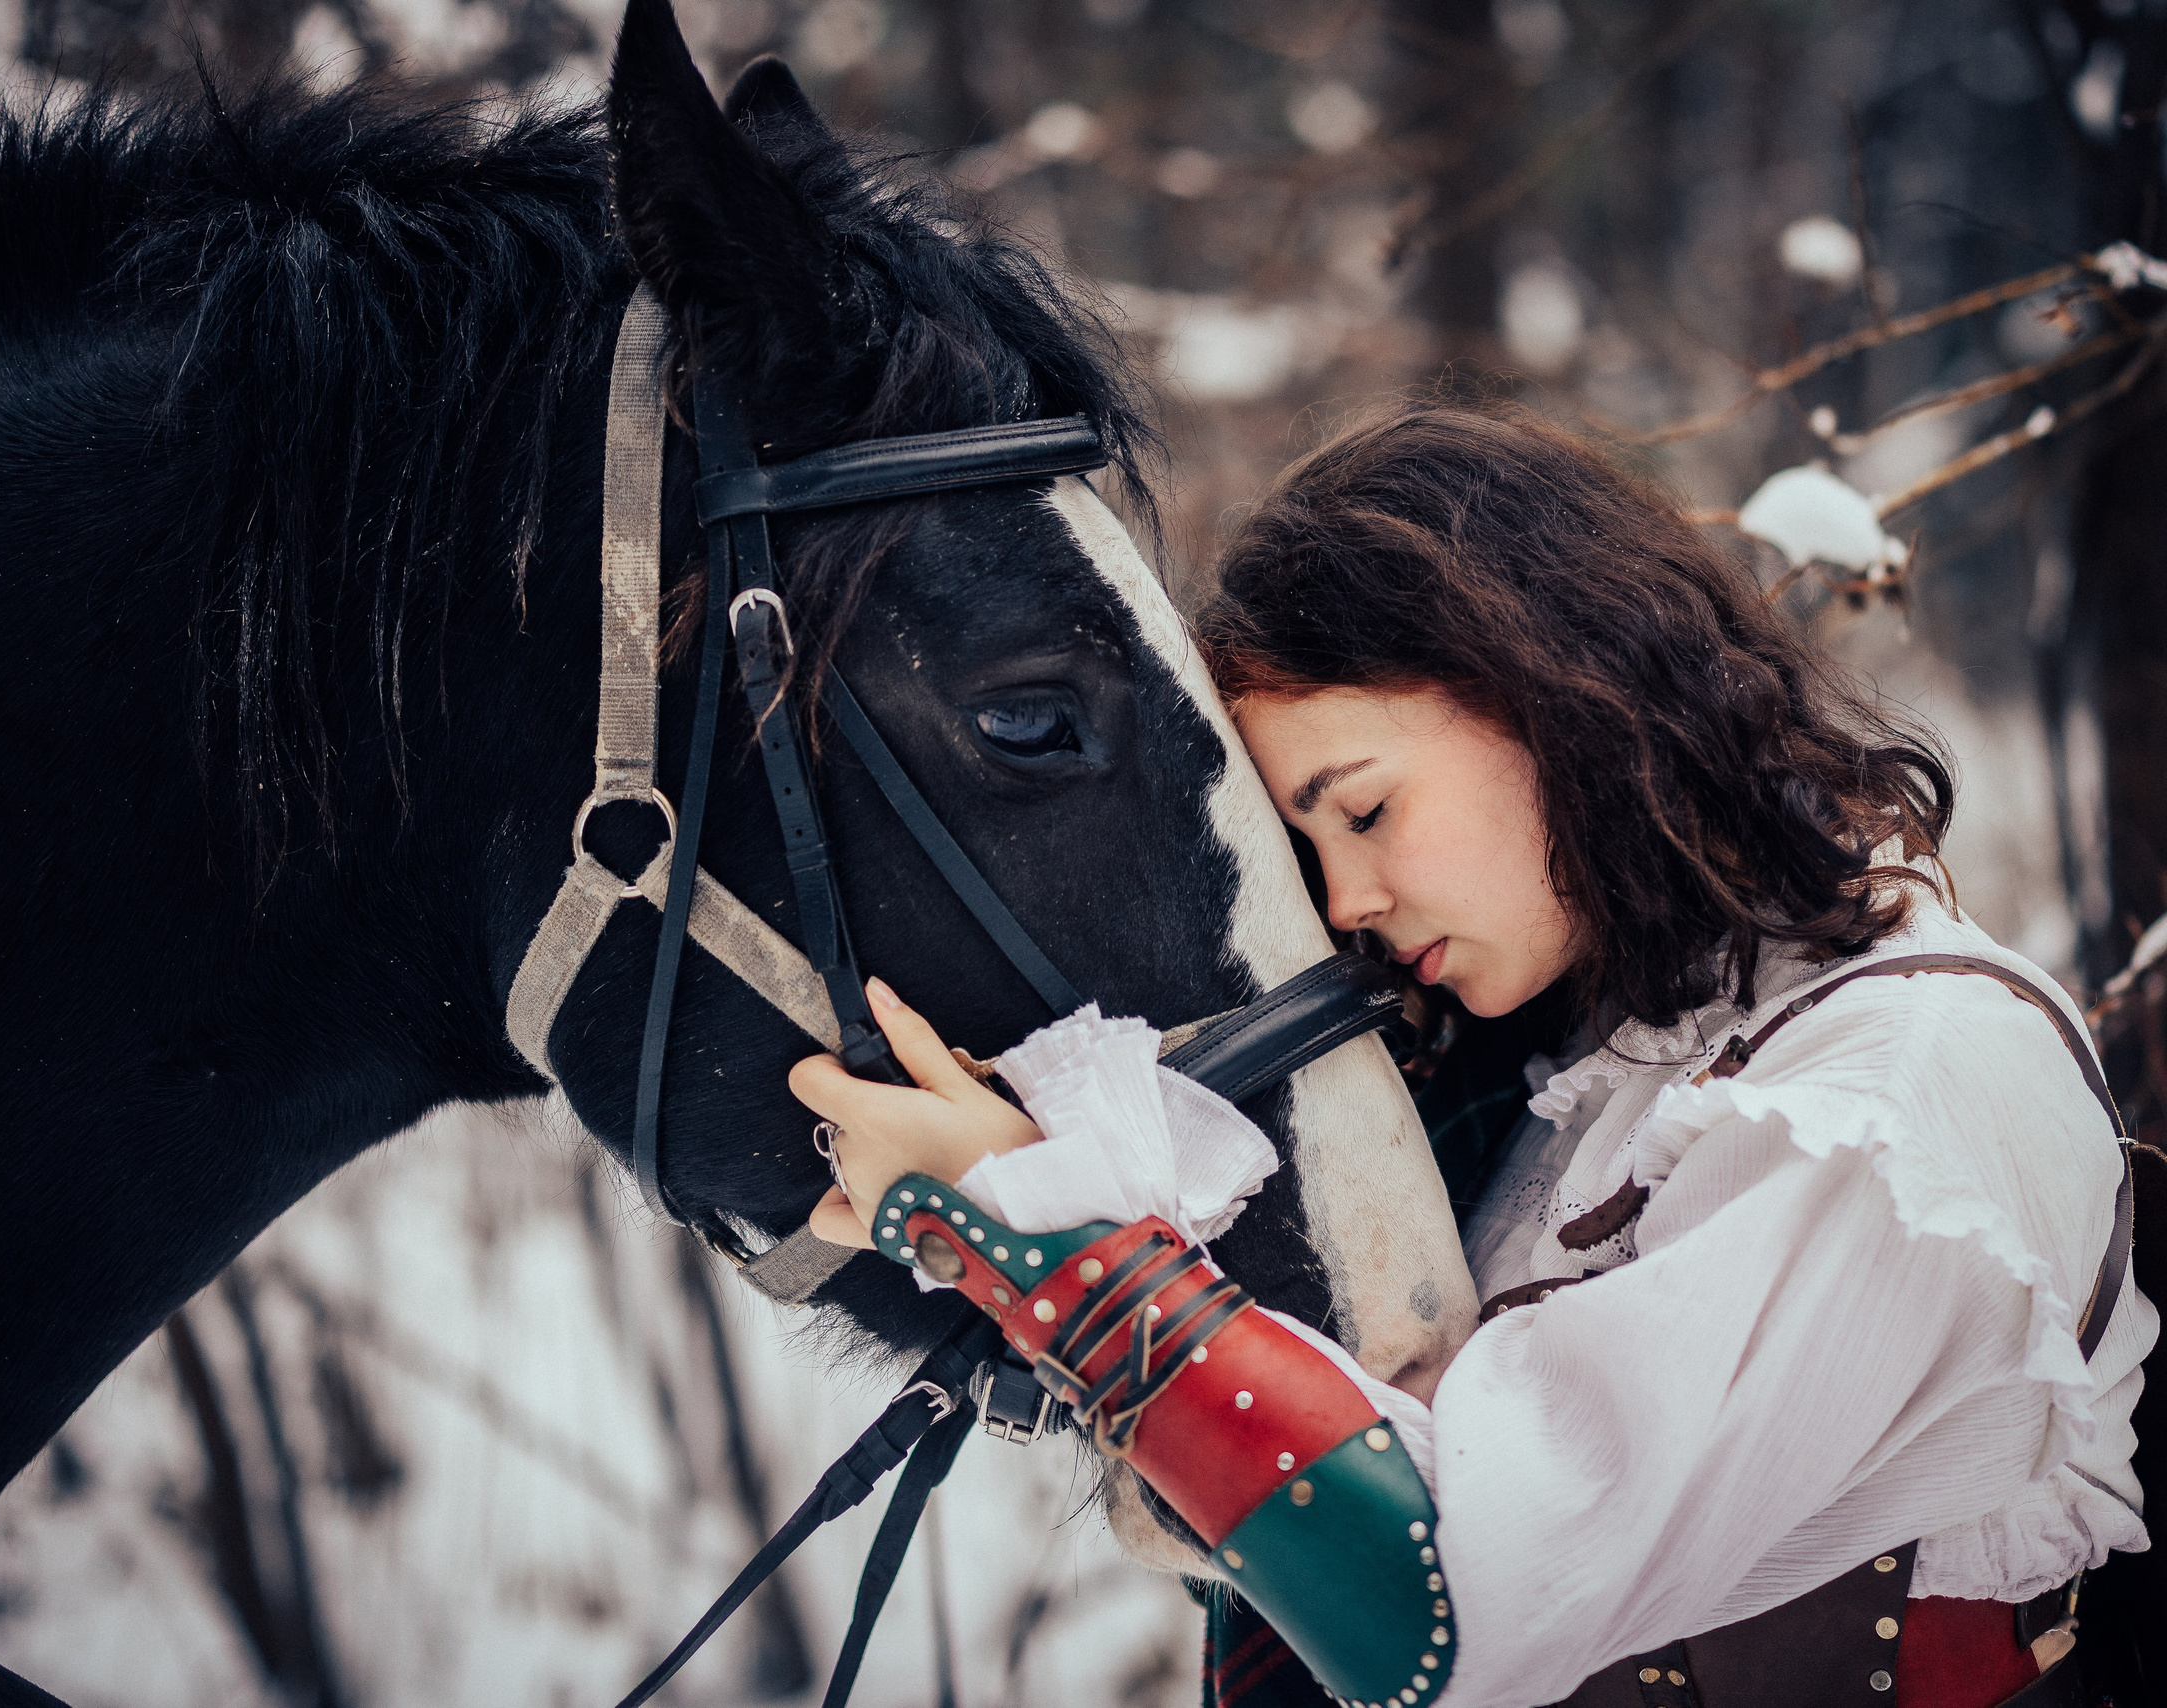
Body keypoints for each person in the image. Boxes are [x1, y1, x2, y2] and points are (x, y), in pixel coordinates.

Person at [788, 406, 2154, 1708]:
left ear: (1565, 694)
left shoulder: (1902, 1092)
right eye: (1311, 851)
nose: (1346, 902)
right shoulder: (1599, 1070)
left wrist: (1050, 1236)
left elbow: (1438, 1604)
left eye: (1365, 808)